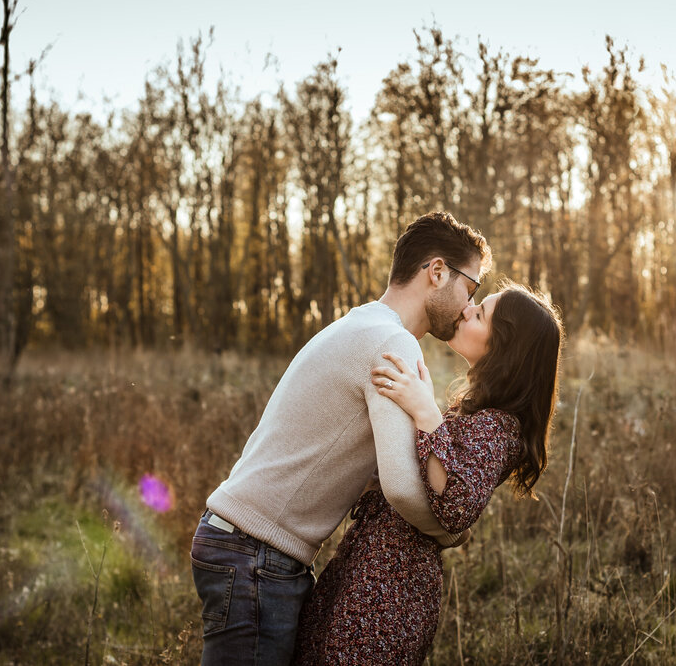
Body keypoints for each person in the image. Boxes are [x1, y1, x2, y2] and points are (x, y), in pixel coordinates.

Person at [191, 212, 491, 666]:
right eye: (471, 288)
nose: (470, 304)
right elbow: (402, 489)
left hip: (246, 545)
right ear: (437, 272)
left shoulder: (362, 324)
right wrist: (454, 529)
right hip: (254, 553)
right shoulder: (392, 342)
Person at [294, 282, 563, 665]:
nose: (467, 309)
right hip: (373, 569)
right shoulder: (477, 416)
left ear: (506, 347)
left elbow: (455, 504)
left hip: (392, 588)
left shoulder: (500, 429)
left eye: (481, 313)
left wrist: (426, 412)